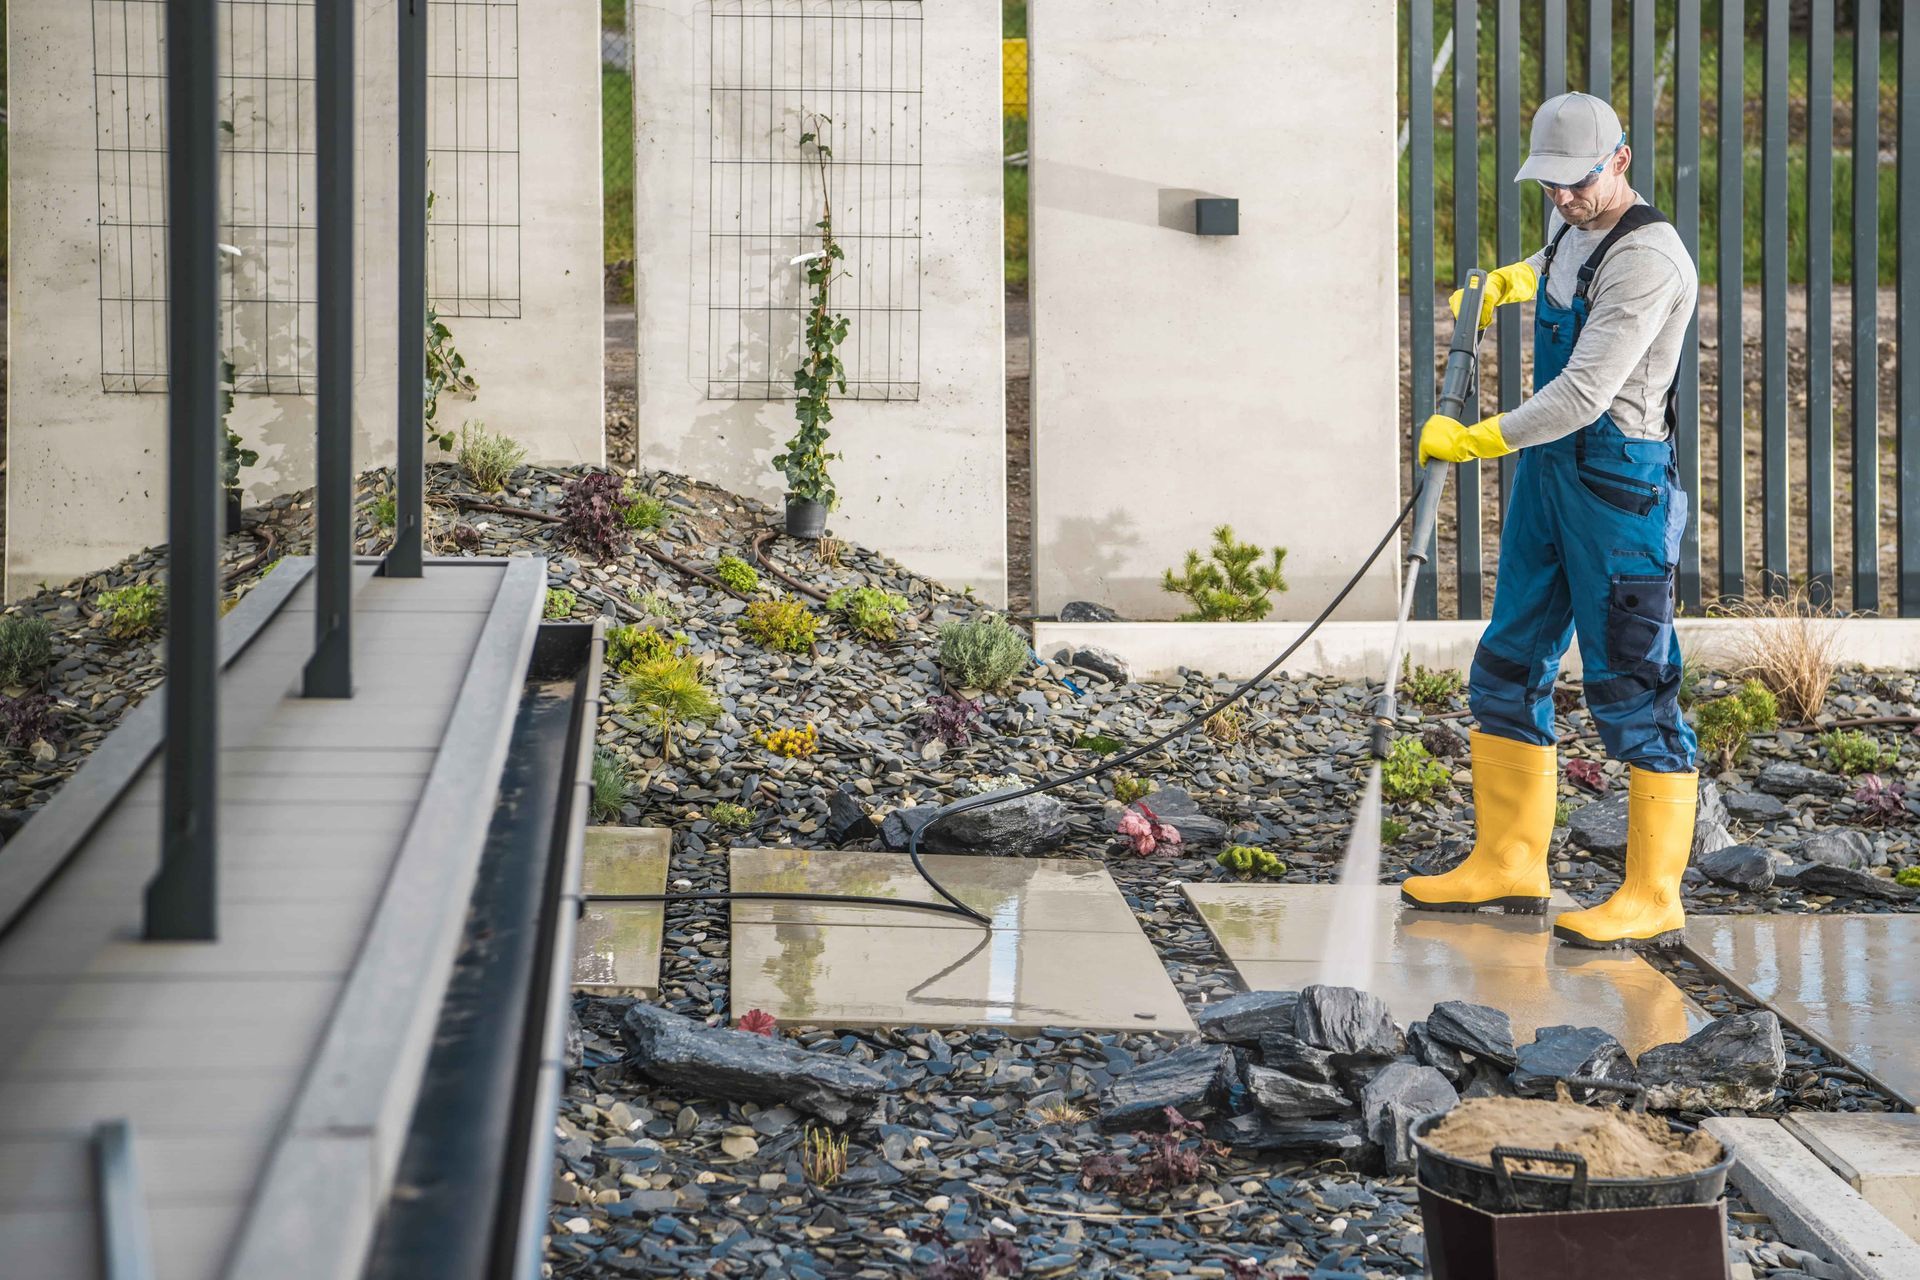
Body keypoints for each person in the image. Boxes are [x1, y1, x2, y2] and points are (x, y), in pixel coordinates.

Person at [1399, 92, 1699, 950]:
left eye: (1576, 184)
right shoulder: (1575, 227)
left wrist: (1475, 440)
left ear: (1621, 160)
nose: (1562, 200)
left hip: (1616, 485)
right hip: (1549, 473)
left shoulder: (1651, 261)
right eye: (1550, 187)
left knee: (1632, 680)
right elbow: (1554, 266)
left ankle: (1652, 893)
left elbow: (1582, 393)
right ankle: (1509, 861)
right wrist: (1507, 281)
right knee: (1509, 654)